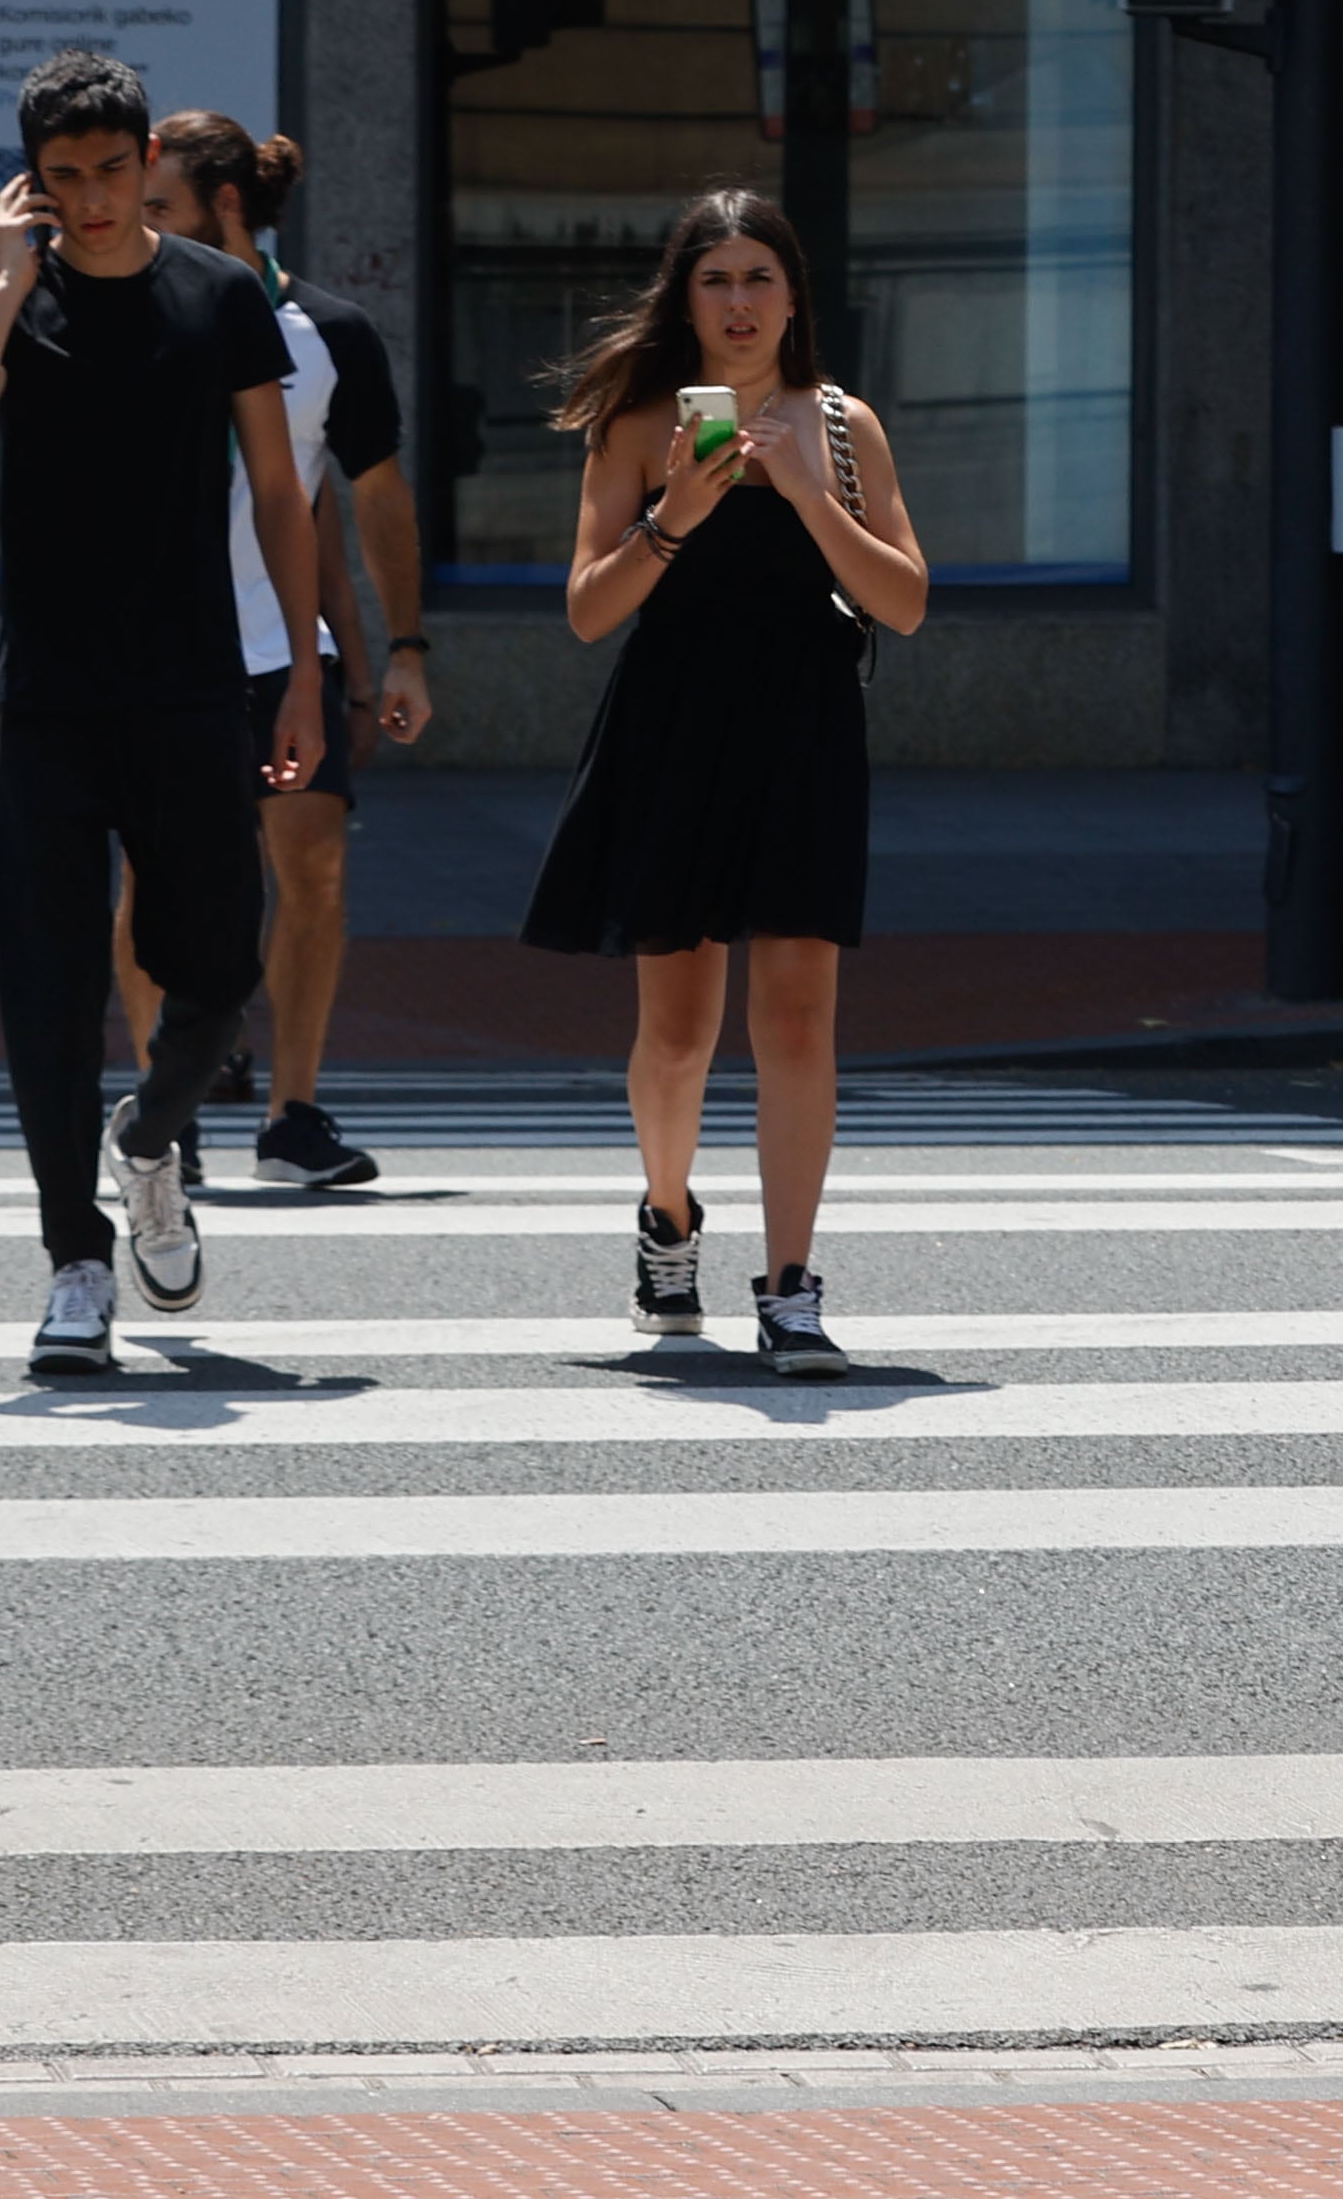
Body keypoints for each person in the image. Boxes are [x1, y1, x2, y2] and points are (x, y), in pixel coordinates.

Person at [0, 51, 323, 1377]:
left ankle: (150, 1137)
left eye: (109, 171)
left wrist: (305, 671)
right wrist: (13, 282)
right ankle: (74, 1262)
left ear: (149, 164)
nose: (89, 200)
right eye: (63, 178)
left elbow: (277, 488)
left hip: (198, 686)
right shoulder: (3, 299)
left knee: (217, 972)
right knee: (47, 989)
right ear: (34, 182)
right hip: (48, 698)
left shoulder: (216, 296)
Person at [521, 189, 926, 1376]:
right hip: (673, 728)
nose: (739, 302)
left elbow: (902, 600)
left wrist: (805, 490)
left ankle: (792, 1287)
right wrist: (677, 516)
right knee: (680, 1032)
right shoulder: (642, 424)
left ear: (794, 294)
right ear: (682, 296)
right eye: (716, 279)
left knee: (799, 1017)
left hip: (802, 729)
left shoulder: (842, 426)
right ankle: (668, 1214)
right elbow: (590, 612)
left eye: (760, 277)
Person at [110, 111, 440, 1189]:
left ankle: (291, 1118)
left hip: (281, 652)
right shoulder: (129, 314)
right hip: (155, 655)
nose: (140, 226)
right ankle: (176, 1107)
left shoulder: (328, 334)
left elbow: (374, 498)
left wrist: (401, 650)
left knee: (315, 871)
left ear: (228, 209)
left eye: (160, 208)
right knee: (155, 886)